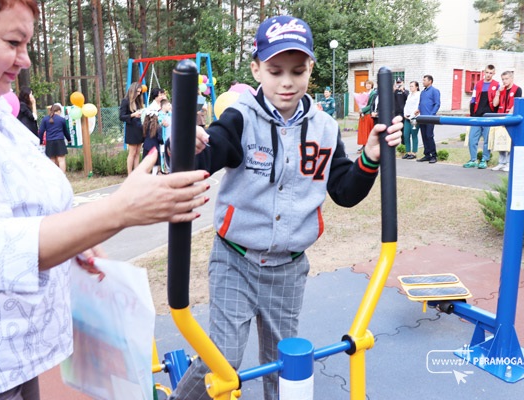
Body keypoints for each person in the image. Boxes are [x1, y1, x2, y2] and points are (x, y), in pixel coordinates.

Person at [0, 2, 210, 399]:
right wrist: (119, 210)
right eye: (13, 42)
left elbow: (34, 205)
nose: (25, 59)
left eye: (28, 44)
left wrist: (76, 235)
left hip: (24, 356)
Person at [168, 15, 403, 400]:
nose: (287, 81)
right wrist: (192, 148)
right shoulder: (241, 117)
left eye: (298, 70)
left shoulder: (325, 127)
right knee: (222, 358)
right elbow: (215, 149)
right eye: (276, 71)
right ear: (257, 69)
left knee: (284, 364)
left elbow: (344, 190)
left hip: (289, 267)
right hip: (236, 260)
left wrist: (371, 157)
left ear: (310, 68)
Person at [463, 65, 499, 169]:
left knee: (487, 139)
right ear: (484, 72)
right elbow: (473, 99)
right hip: (477, 116)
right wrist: (472, 115)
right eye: (487, 72)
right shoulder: (478, 84)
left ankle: (484, 159)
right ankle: (473, 159)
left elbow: (497, 101)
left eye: (491, 73)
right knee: (472, 139)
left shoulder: (496, 85)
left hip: (489, 116)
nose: (488, 75)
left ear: (494, 73)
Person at [491, 70, 522, 171]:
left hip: (510, 118)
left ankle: (509, 163)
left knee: (509, 141)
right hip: (500, 117)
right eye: (503, 79)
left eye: (506, 79)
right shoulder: (501, 90)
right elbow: (495, 104)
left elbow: (515, 104)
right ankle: (501, 162)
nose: (504, 81)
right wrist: (498, 93)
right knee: (500, 140)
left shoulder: (518, 89)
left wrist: (508, 118)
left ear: (512, 78)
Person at [414, 74, 440, 163]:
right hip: (422, 118)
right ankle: (427, 155)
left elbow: (437, 104)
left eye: (424, 80)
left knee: (429, 136)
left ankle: (434, 155)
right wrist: (418, 109)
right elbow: (421, 103)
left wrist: (432, 115)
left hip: (430, 118)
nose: (423, 82)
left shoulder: (435, 91)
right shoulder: (423, 92)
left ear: (430, 81)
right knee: (424, 136)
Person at [120, 81, 144, 175]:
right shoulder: (125, 101)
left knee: (138, 152)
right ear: (132, 91)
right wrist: (133, 115)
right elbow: (121, 116)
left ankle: (136, 173)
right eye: (137, 91)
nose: (138, 94)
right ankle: (130, 174)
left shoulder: (138, 101)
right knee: (132, 152)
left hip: (139, 128)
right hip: (131, 129)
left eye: (140, 92)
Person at [38, 103, 71, 172]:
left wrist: (40, 141)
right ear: (58, 111)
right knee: (61, 159)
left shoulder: (45, 119)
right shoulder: (61, 119)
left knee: (52, 160)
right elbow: (65, 131)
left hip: (50, 141)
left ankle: (53, 176)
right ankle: (62, 176)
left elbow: (41, 131)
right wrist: (69, 139)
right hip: (59, 141)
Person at [356, 79, 377, 153]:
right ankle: (364, 145)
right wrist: (360, 109)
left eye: (369, 84)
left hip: (368, 114)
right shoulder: (365, 93)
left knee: (368, 131)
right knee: (363, 131)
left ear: (372, 85)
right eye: (366, 84)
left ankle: (368, 146)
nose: (368, 85)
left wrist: (363, 110)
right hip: (363, 114)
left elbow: (371, 104)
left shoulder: (373, 93)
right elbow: (362, 102)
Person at [402, 80, 421, 159]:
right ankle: (408, 152)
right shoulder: (409, 95)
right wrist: (405, 114)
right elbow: (406, 105)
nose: (410, 87)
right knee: (406, 135)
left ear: (416, 87)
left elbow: (417, 107)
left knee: (414, 135)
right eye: (410, 86)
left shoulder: (418, 95)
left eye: (412, 86)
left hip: (414, 118)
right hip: (407, 117)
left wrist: (411, 116)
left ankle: (414, 152)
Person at [393, 78, 408, 144]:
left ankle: (404, 144)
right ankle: (395, 144)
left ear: (403, 82)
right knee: (395, 129)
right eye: (397, 83)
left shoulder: (406, 91)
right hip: (395, 113)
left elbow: (408, 98)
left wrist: (403, 91)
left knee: (403, 129)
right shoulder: (394, 91)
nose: (399, 84)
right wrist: (393, 91)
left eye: (400, 82)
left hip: (403, 112)